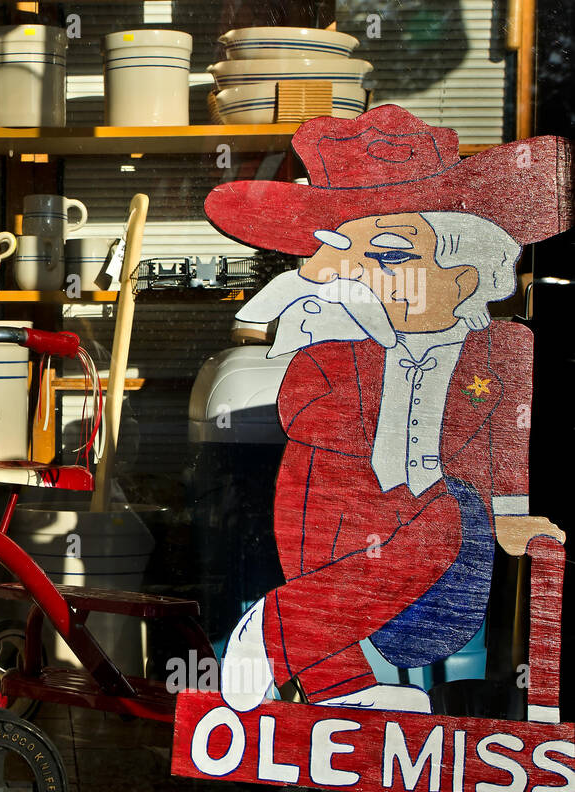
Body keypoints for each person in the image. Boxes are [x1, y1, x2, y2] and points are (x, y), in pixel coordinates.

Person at [204, 105, 570, 714]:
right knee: (316, 471)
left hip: (445, 555)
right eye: (349, 257)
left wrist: (511, 513)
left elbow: (509, 438)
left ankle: (278, 631)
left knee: (452, 511)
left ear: (465, 276)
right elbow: (304, 417)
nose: (368, 279)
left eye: (395, 257)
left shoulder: (503, 350)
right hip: (344, 532)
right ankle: (335, 683)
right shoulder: (335, 345)